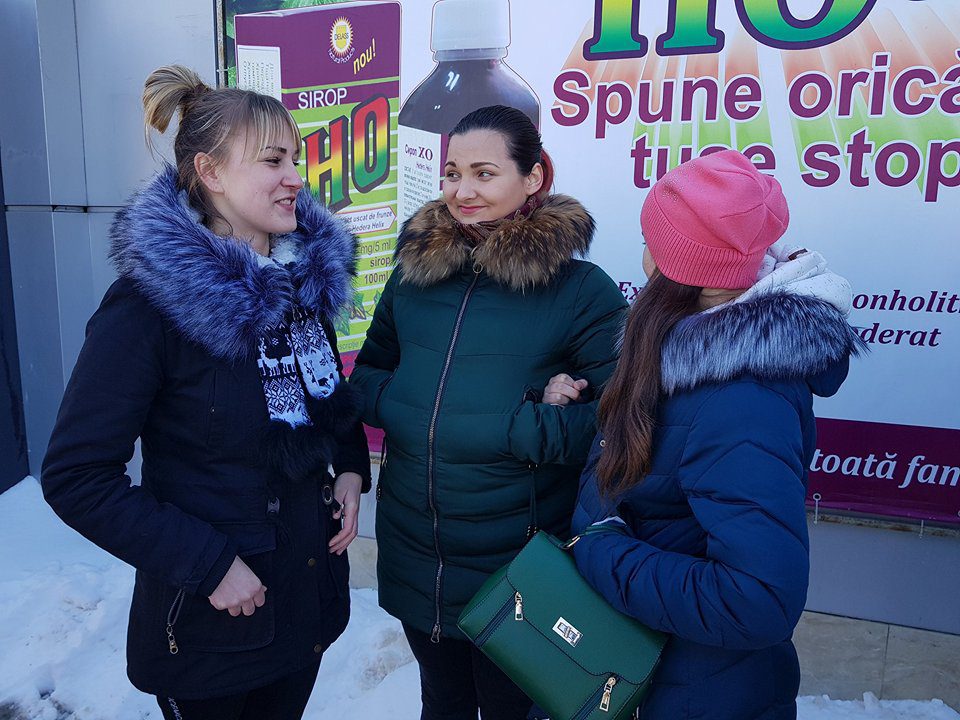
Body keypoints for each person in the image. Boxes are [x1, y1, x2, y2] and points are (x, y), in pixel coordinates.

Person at [40, 65, 370, 720]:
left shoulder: (297, 286)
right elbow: (77, 477)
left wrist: (352, 468)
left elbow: (327, 397)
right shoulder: (147, 308)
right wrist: (208, 563)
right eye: (273, 160)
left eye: (296, 158)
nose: (296, 178)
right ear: (210, 172)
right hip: (210, 630)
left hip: (303, 607)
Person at [566, 149, 865, 719]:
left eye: (651, 239)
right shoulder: (681, 355)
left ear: (681, 269)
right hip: (645, 671)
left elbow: (759, 600)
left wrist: (604, 552)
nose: (644, 252)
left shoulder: (742, 401)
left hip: (697, 694)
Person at [350, 105, 626, 719]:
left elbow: (623, 419)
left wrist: (531, 428)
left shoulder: (581, 290)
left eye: (484, 173)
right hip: (416, 549)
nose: (463, 191)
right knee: (441, 703)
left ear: (533, 178)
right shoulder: (414, 276)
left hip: (518, 566)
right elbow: (367, 375)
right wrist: (408, 406)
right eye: (452, 173)